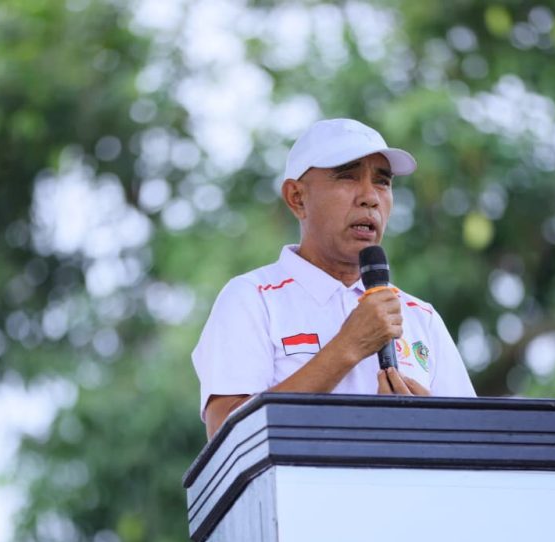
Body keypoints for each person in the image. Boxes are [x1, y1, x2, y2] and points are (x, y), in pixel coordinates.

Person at [193, 118, 475, 437]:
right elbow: (226, 434)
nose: (370, 197)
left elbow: (474, 445)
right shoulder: (252, 298)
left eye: (382, 182)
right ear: (297, 198)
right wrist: (347, 347)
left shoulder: (421, 317)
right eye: (348, 176)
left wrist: (427, 426)